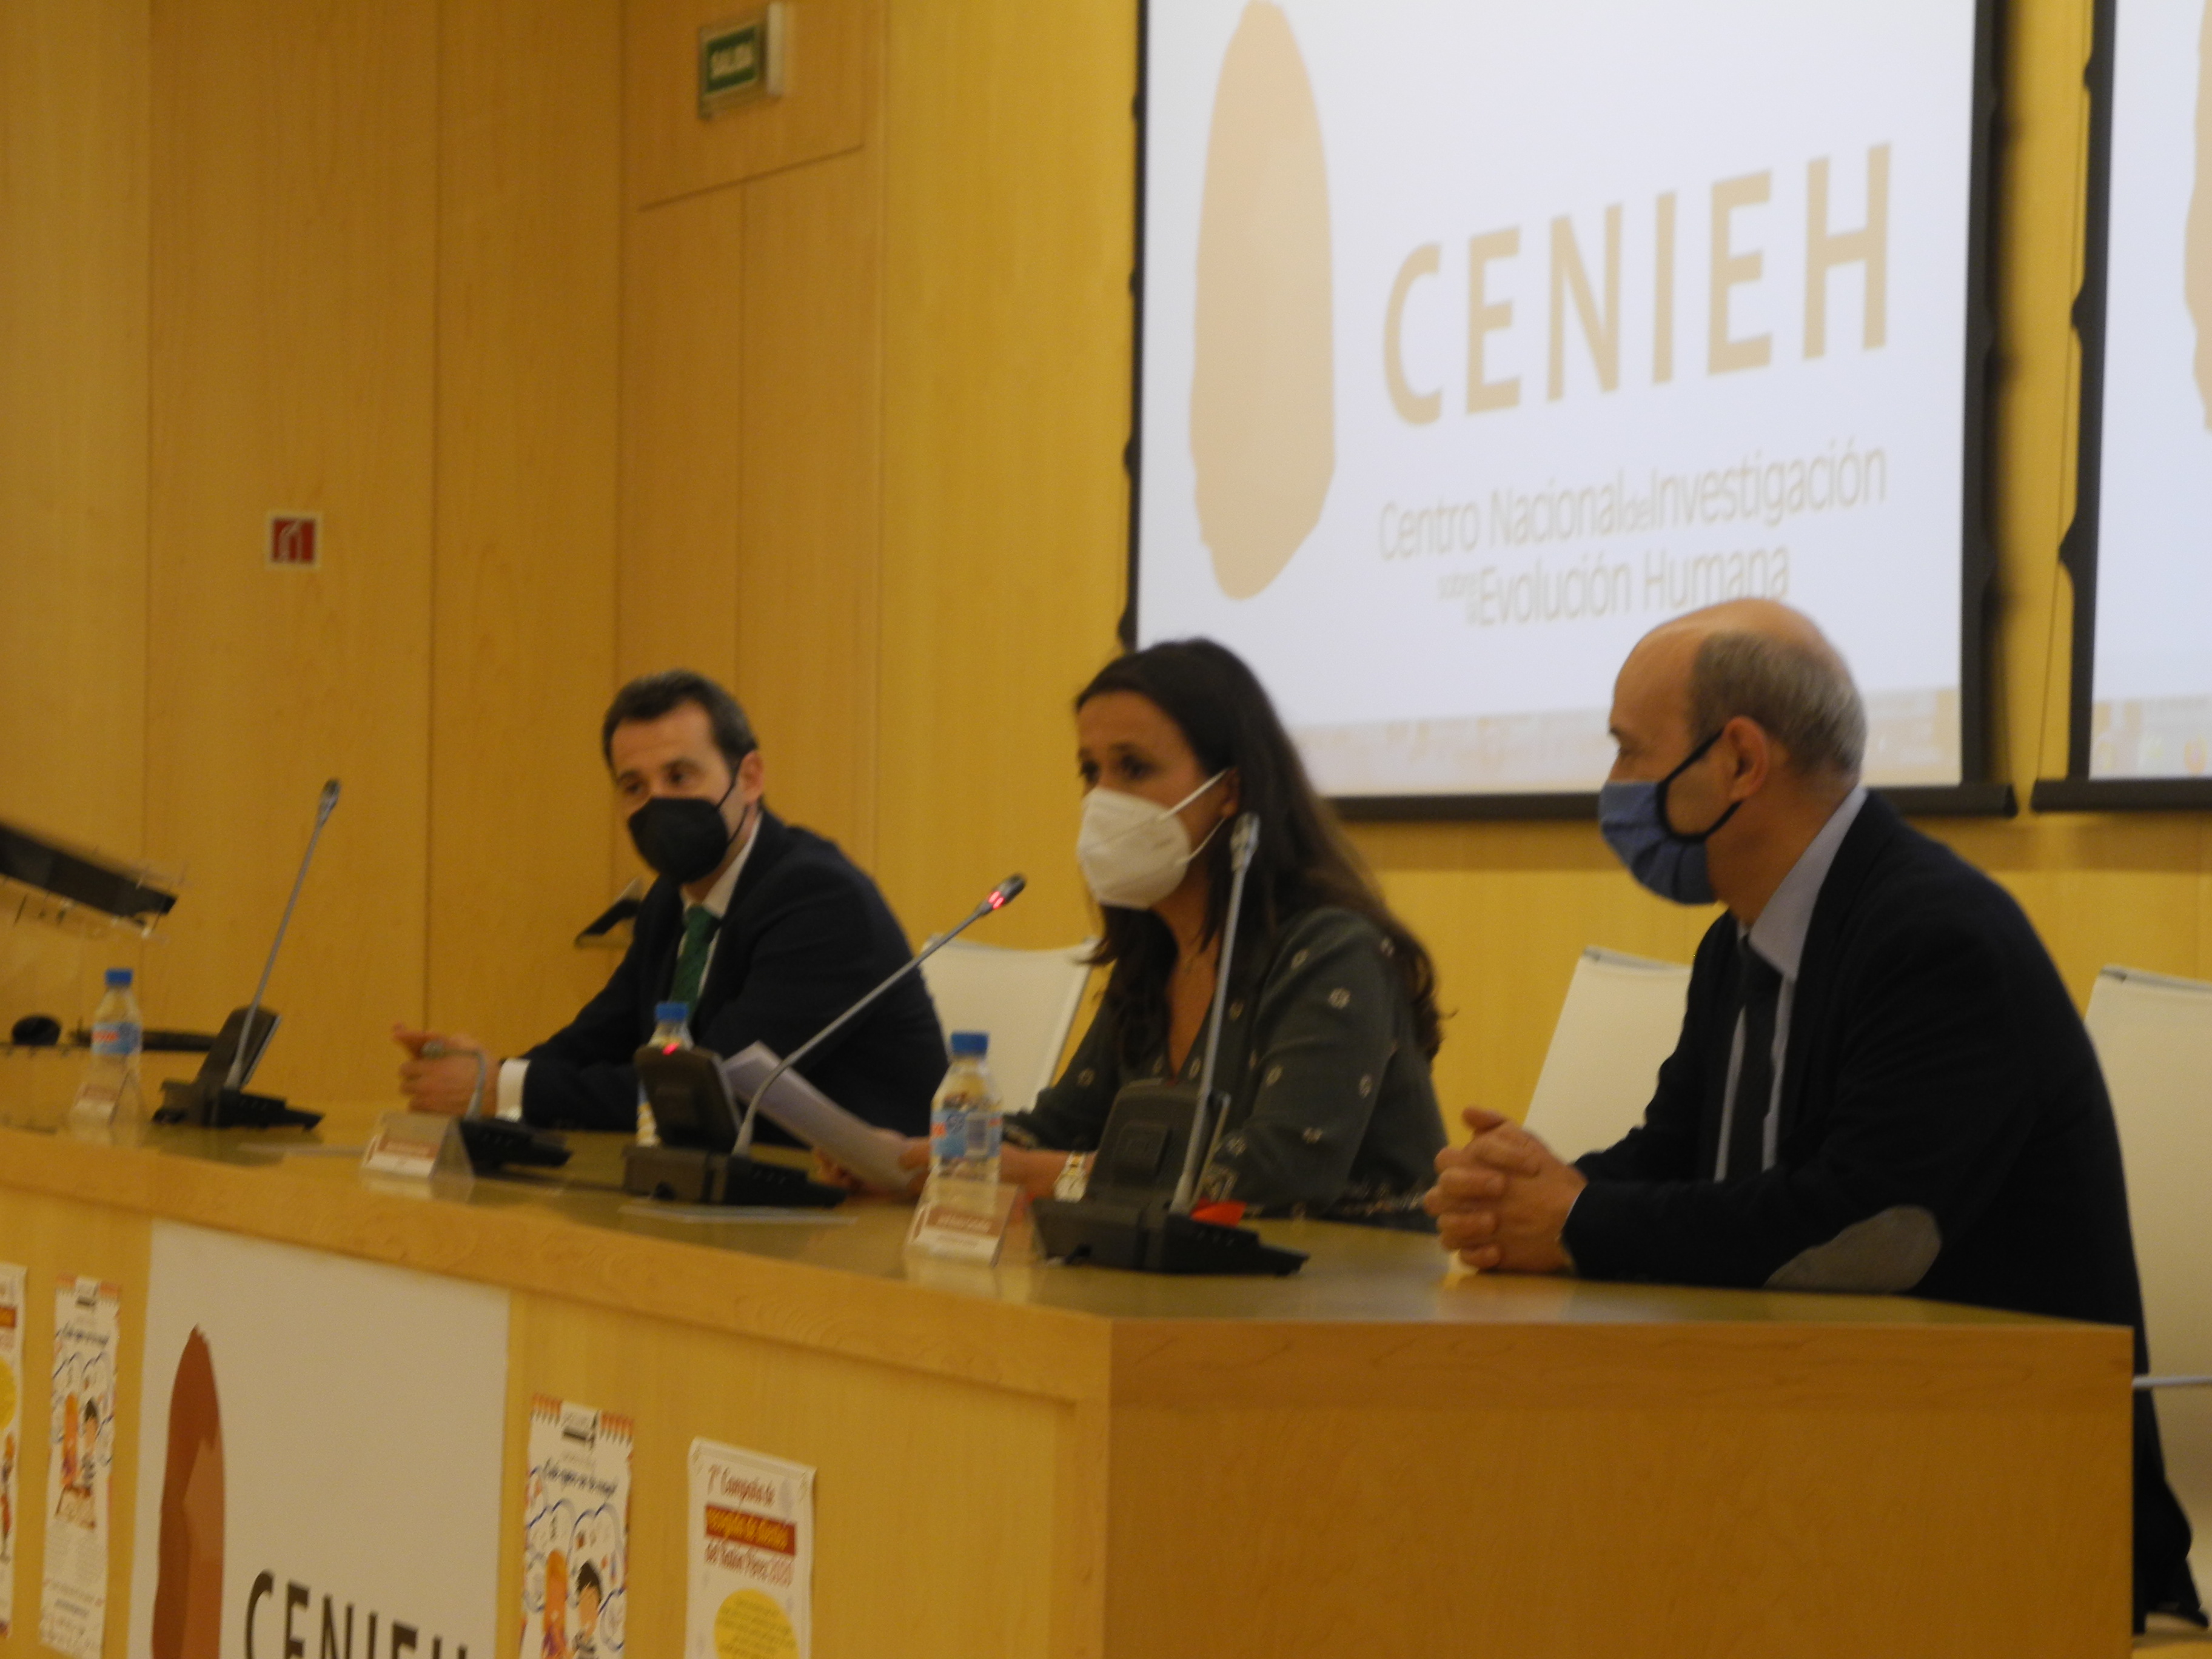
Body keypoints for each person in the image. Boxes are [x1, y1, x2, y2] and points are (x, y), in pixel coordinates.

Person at [1424, 598, 2202, 1630]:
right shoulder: (1736, 942)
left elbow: (1863, 1232)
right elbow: (1675, 1161)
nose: (1610, 787)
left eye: (1626, 750)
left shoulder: (1933, 938)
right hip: (1804, 1458)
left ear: (1738, 760)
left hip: (1999, 1500)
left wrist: (1572, 1220)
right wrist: (1517, 1192)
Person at [980, 638, 1446, 1223]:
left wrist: (1062, 1176)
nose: (1103, 798)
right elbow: (1062, 1126)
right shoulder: (1157, 959)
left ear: (1231, 790)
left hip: (1349, 1286)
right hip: (1205, 1288)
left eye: (1134, 767)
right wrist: (929, 1156)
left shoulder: (1331, 951)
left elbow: (1276, 1170)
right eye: (1090, 771)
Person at [395, 670, 945, 1136]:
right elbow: (602, 1039)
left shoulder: (819, 899)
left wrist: (504, 1088)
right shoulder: (674, 898)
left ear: (749, 778)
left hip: (864, 1209)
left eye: (680, 776)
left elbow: (707, 1092)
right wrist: (485, 1077)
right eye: (634, 787)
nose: (657, 803)